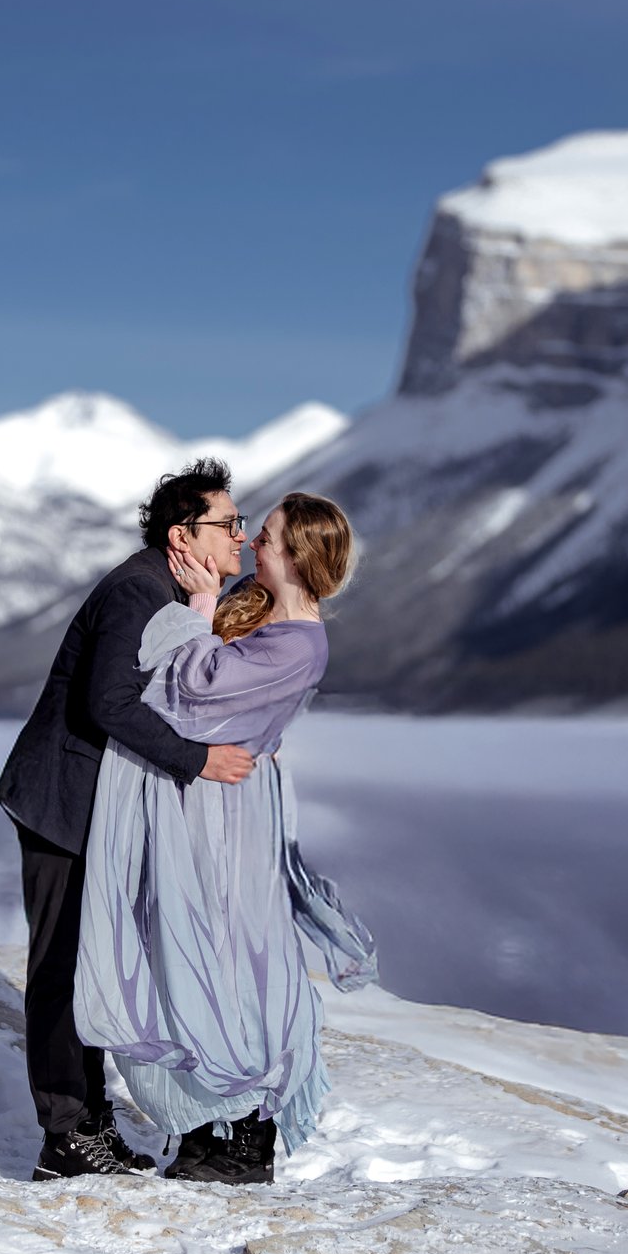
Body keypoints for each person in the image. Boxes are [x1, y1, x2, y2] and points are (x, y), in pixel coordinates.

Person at [75, 491, 377, 1185]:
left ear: (298, 554)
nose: (252, 544)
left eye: (267, 536)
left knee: (230, 959)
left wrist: (203, 605)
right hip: (204, 807)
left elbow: (193, 691)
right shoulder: (262, 610)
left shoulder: (299, 644)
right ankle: (210, 1127)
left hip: (227, 819)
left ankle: (245, 1138)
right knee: (194, 954)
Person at [0, 459, 258, 1181]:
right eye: (229, 523)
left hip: (91, 806)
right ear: (183, 534)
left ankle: (90, 1121)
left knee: (91, 963)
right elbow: (107, 702)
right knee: (60, 968)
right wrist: (197, 761)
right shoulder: (137, 590)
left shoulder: (168, 588)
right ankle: (65, 1138)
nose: (242, 534)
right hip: (62, 802)